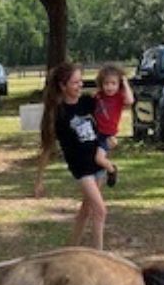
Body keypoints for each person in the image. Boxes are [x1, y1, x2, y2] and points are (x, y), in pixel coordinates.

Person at [32, 62, 109, 250]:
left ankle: (71, 249)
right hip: (82, 169)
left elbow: (112, 108)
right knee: (100, 210)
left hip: (98, 164)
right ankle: (99, 256)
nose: (80, 85)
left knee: (87, 209)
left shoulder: (87, 103)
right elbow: (47, 149)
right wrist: (39, 180)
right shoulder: (58, 114)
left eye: (81, 81)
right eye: (75, 82)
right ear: (62, 86)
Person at [92, 65, 134, 187]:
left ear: (118, 84)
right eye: (106, 83)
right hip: (96, 132)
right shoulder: (99, 96)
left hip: (107, 134)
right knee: (94, 160)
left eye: (113, 83)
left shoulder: (119, 97)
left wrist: (125, 83)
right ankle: (98, 179)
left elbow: (130, 101)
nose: (110, 87)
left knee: (99, 159)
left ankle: (112, 170)